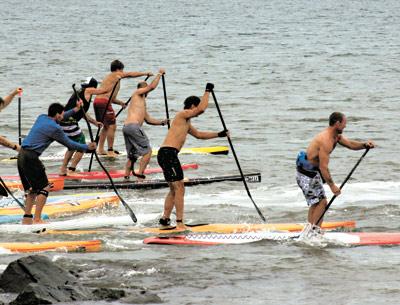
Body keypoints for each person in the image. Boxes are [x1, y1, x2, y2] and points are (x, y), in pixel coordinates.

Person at [157, 83, 229, 229]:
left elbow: (200, 135)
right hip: (168, 153)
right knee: (180, 188)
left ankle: (165, 219)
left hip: (166, 154)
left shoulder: (186, 123)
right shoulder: (182, 114)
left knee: (174, 189)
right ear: (191, 106)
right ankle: (179, 223)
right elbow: (201, 109)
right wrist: (207, 91)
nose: (196, 112)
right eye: (195, 108)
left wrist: (219, 134)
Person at [18, 102, 96, 224]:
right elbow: (70, 144)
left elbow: (63, 116)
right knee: (45, 187)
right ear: (57, 115)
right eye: (62, 114)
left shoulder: (42, 117)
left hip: (21, 155)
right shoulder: (55, 129)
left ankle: (26, 219)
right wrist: (87, 147)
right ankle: (37, 219)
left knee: (32, 189)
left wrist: (76, 109)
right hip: (31, 158)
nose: (63, 117)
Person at [296, 112, 375, 232]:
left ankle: (309, 230)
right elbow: (323, 167)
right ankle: (315, 232)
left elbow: (350, 144)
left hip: (310, 172)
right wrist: (332, 186)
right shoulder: (325, 140)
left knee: (316, 202)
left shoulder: (336, 136)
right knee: (322, 202)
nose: (345, 126)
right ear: (337, 123)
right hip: (307, 173)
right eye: (344, 123)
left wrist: (364, 145)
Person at [94, 60, 153, 158]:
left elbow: (111, 98)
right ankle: (110, 150)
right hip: (104, 102)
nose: (123, 73)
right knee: (112, 126)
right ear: (119, 69)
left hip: (98, 101)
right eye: (122, 70)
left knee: (105, 126)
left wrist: (121, 103)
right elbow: (130, 74)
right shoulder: (115, 75)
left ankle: (100, 149)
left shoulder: (111, 79)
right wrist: (145, 73)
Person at [123, 69, 168, 181]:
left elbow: (148, 120)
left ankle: (126, 177)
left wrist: (162, 122)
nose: (146, 91)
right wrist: (159, 74)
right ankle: (140, 177)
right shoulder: (137, 93)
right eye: (145, 88)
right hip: (133, 127)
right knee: (148, 152)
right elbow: (152, 86)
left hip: (127, 128)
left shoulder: (141, 102)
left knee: (132, 156)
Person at [59, 77, 105, 175]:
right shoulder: (87, 90)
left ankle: (63, 170)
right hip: (69, 123)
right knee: (82, 146)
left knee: (71, 147)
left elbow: (82, 113)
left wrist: (94, 122)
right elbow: (103, 90)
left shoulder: (80, 93)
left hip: (63, 122)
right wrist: (115, 79)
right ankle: (71, 170)